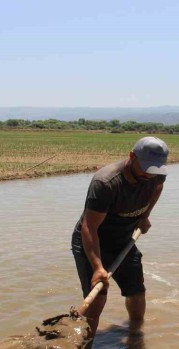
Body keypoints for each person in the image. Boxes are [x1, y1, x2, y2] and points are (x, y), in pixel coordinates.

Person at [72, 136, 169, 338]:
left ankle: (135, 334)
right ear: (132, 156)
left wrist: (145, 216)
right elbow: (89, 227)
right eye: (146, 169)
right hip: (93, 241)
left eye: (155, 170)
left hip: (124, 239)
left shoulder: (155, 174)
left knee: (136, 291)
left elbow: (158, 188)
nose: (150, 175)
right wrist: (98, 267)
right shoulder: (106, 183)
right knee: (97, 299)